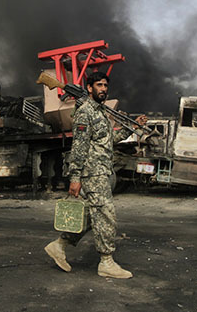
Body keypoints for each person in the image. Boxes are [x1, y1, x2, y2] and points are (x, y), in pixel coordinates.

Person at [44, 71, 147, 279]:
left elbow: (108, 140)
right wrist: (75, 178)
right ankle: (106, 262)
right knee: (106, 215)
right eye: (99, 85)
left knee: (93, 216)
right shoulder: (85, 112)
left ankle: (60, 245)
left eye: (105, 86)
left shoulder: (100, 112)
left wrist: (133, 127)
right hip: (92, 174)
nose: (103, 89)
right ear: (89, 88)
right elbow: (79, 146)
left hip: (103, 170)